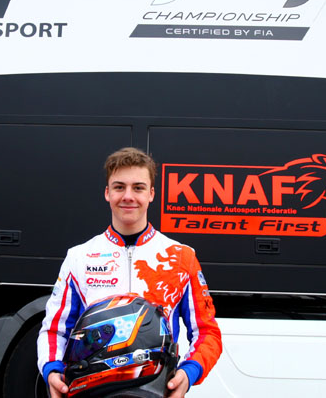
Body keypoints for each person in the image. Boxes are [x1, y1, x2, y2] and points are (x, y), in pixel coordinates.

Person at [37, 147, 222, 398]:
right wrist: (52, 370)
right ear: (107, 193)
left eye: (138, 188)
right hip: (94, 391)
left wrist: (189, 373)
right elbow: (54, 331)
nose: (128, 196)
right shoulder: (79, 257)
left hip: (155, 390)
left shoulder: (181, 257)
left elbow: (207, 333)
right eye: (119, 187)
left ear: (151, 193)